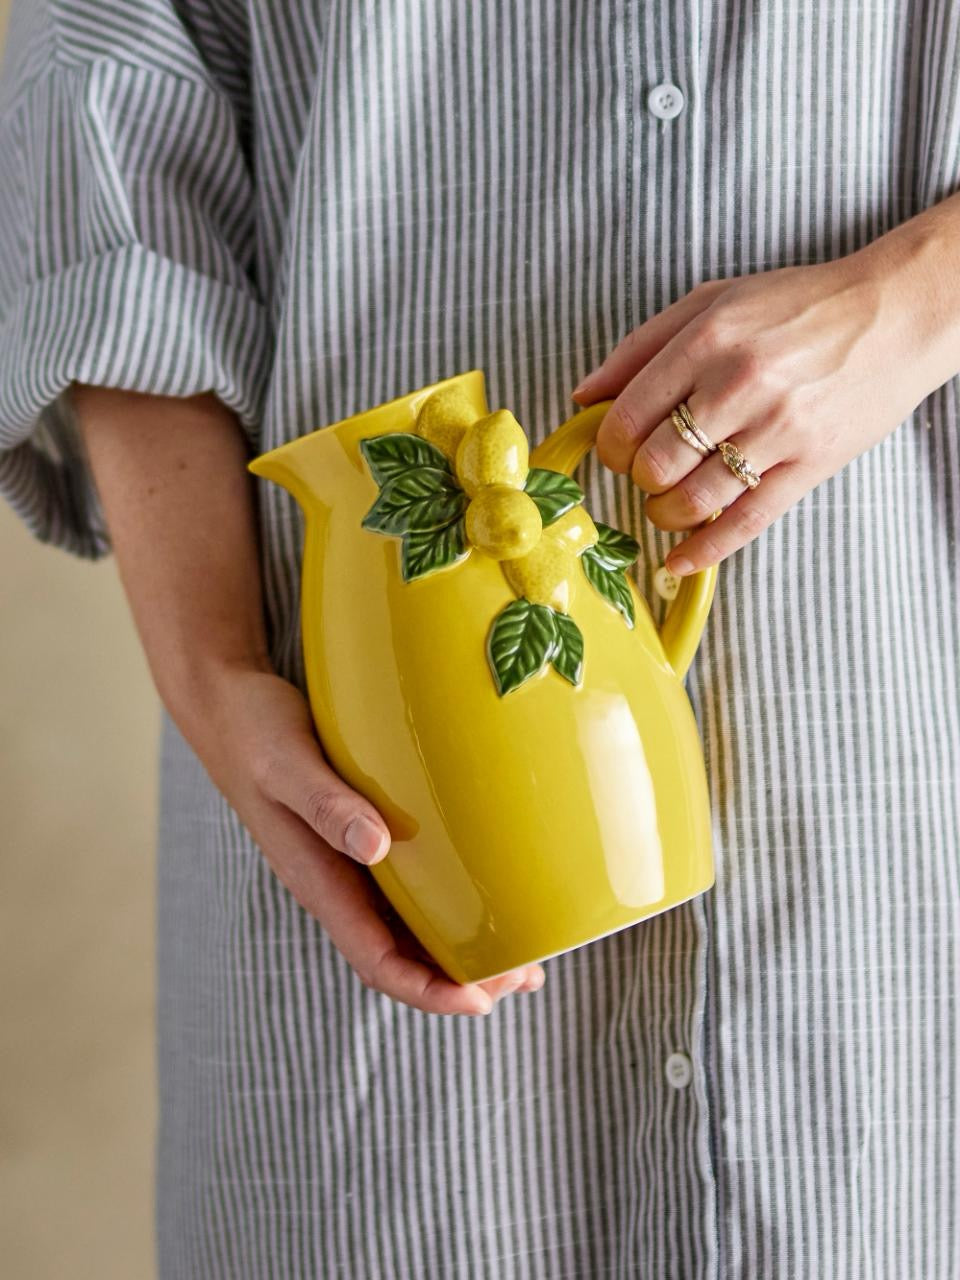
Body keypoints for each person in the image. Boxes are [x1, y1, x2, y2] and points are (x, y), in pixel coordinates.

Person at [2, 2, 959, 1276]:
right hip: (375, 800)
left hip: (889, 728)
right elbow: (106, 110)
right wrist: (215, 674)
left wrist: (913, 301)